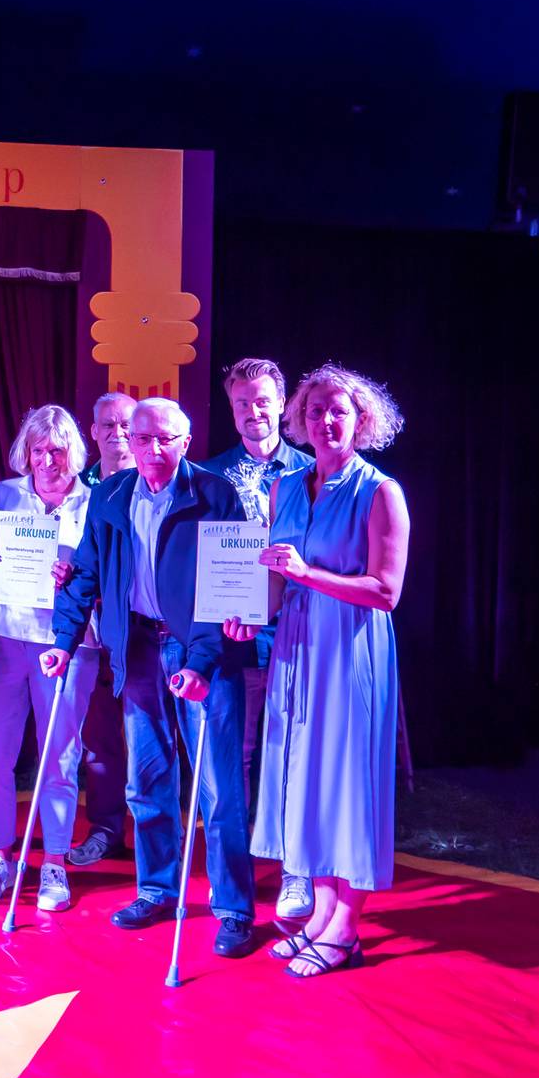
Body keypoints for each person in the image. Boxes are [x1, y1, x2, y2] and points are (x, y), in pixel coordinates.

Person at [51, 398, 257, 957]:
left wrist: (202, 662)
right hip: (137, 647)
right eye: (143, 439)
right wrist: (62, 641)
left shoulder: (215, 494)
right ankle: (157, 889)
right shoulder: (110, 494)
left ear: (185, 443)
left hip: (196, 649)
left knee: (217, 789)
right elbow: (88, 572)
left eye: (165, 439)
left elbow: (230, 589)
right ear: (129, 443)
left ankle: (234, 908)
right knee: (147, 781)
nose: (153, 450)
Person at [245, 364, 409, 978]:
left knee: (347, 781)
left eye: (339, 410)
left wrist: (307, 576)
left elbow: (386, 591)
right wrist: (249, 615)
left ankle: (345, 928)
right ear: (300, 421)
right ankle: (317, 913)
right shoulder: (285, 486)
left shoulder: (380, 492)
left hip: (350, 647)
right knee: (303, 776)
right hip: (295, 641)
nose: (326, 421)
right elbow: (272, 575)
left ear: (361, 420)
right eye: (315, 412)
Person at [0, 404, 96, 912]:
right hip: (4, 637)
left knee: (59, 757)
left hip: (66, 645)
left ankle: (55, 864)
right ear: (27, 451)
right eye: (39, 449)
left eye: (58, 450)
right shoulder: (4, 494)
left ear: (73, 453)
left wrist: (78, 575)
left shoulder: (94, 501)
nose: (47, 460)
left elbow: (106, 574)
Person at [202, 357, 316, 924]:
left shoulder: (312, 472)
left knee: (294, 753)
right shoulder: (209, 474)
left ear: (282, 401)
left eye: (263, 399)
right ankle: (239, 873)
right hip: (234, 636)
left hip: (298, 635)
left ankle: (296, 870)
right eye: (242, 402)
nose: (253, 411)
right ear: (231, 407)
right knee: (238, 758)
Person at [67, 391, 135, 868]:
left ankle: (160, 837)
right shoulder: (77, 489)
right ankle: (107, 829)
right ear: (93, 432)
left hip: (153, 630)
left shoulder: (159, 481)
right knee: (102, 738)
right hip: (94, 633)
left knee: (159, 736)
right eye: (107, 425)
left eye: (126, 425)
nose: (118, 434)